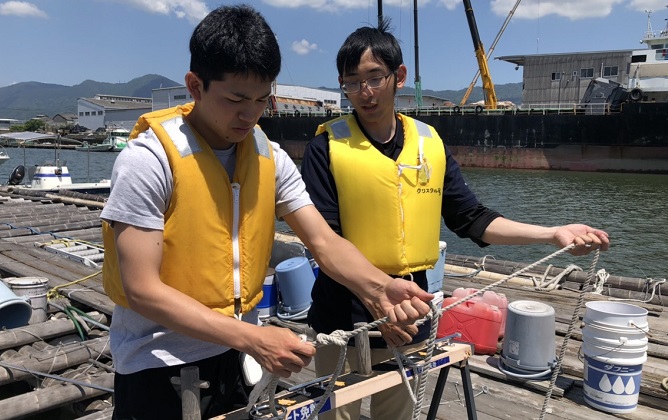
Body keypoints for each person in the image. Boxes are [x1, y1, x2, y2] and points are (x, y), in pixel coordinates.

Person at [99, 5, 434, 419]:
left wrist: (379, 288)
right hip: (157, 363)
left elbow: (324, 241)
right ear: (195, 86)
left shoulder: (268, 157)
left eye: (261, 99)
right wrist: (254, 339)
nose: (250, 114)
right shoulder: (148, 161)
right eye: (236, 98)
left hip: (236, 357)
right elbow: (141, 289)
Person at [301, 19, 610, 420]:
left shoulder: (430, 143)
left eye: (375, 78)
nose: (365, 92)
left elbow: (473, 219)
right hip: (342, 320)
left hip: (413, 315)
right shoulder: (325, 147)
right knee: (333, 415)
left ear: (399, 76)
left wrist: (552, 234)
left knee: (395, 415)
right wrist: (377, 299)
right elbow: (325, 241)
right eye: (352, 82)